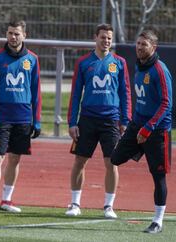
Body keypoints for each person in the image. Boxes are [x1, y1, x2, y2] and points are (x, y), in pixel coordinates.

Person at [66, 23, 131, 218]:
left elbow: (125, 93)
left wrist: (125, 120)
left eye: (109, 38)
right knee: (79, 161)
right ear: (96, 38)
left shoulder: (119, 63)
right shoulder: (84, 62)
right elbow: (75, 93)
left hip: (111, 120)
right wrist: (72, 122)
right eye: (103, 37)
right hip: (87, 120)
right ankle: (75, 203)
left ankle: (108, 206)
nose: (106, 41)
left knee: (112, 163)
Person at [111, 30, 172, 233]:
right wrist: (133, 124)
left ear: (153, 47)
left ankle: (158, 221)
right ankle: (141, 149)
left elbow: (166, 104)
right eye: (137, 44)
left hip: (157, 130)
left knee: (158, 176)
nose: (139, 47)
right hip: (138, 125)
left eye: (144, 44)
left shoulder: (159, 69)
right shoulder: (139, 66)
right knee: (116, 158)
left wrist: (148, 128)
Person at [0, 20, 42, 213]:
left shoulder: (32, 59)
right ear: (6, 34)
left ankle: (6, 200)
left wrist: (38, 119)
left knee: (15, 158)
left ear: (24, 35)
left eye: (17, 33)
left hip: (23, 117)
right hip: (2, 116)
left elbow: (36, 92)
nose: (13, 37)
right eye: (10, 33)